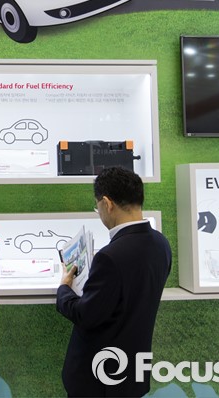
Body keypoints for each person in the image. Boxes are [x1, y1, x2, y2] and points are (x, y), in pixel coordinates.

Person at [56, 166, 172, 397]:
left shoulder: (110, 256)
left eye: (97, 206)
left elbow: (86, 315)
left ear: (107, 203)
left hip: (99, 378)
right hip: (133, 373)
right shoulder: (161, 243)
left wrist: (64, 289)